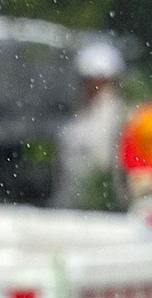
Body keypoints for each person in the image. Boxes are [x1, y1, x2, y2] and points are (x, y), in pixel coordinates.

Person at [56, 40, 127, 210]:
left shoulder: (120, 116)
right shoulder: (78, 115)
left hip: (104, 208)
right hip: (73, 207)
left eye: (97, 80)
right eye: (87, 80)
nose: (90, 85)